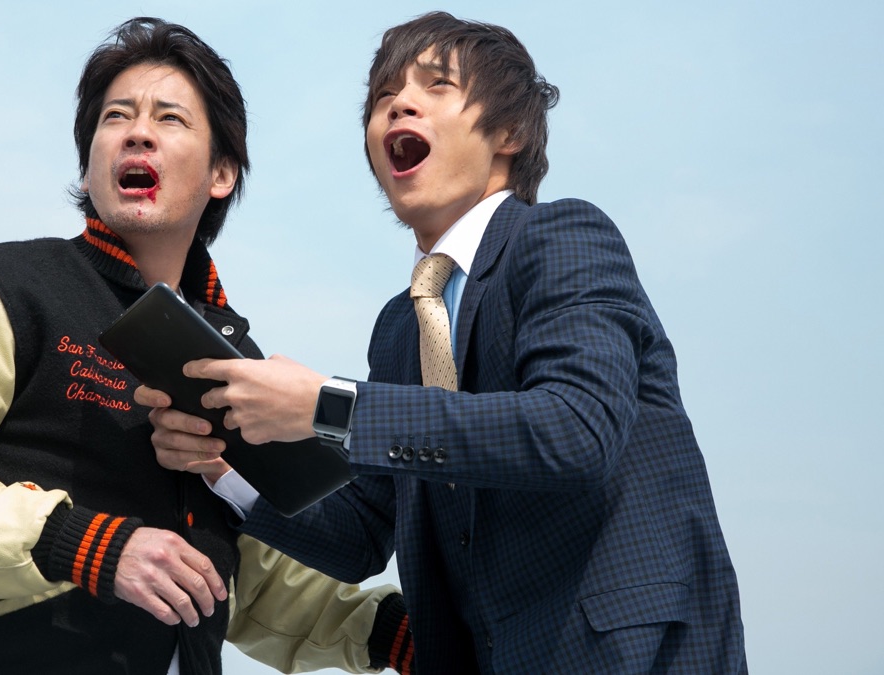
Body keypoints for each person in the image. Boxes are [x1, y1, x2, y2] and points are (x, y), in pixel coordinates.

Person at [138, 11, 746, 673]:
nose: (399, 103)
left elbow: (576, 429)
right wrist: (223, 468)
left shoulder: (563, 236)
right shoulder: (400, 327)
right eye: (383, 96)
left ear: (510, 133)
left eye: (436, 85)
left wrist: (325, 405)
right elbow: (361, 535)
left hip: (630, 655)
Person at [0, 17, 414, 675]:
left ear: (222, 172)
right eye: (116, 117)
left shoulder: (238, 363)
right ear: (89, 167)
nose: (138, 132)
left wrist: (396, 633)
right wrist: (88, 545)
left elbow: (242, 578)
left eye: (170, 118)